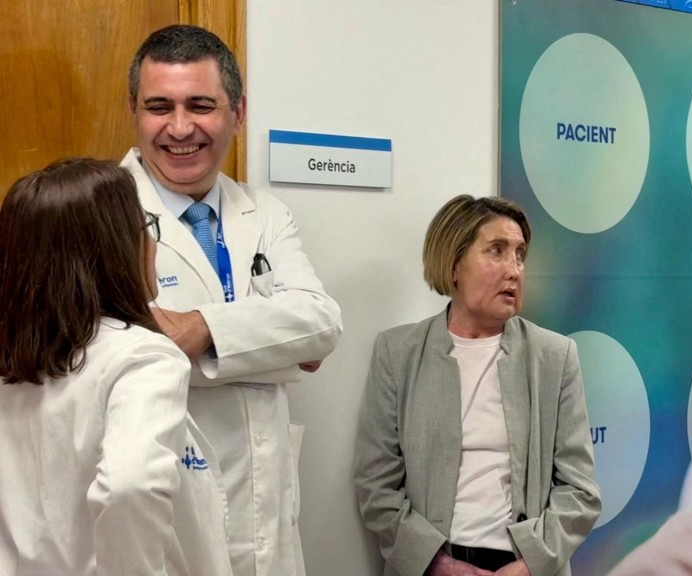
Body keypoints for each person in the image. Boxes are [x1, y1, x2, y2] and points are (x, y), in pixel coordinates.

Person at [123, 24, 343, 576]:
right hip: (163, 517)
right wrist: (275, 348)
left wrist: (200, 331)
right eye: (159, 107)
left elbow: (321, 324)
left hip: (268, 513)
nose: (179, 128)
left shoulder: (265, 213)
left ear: (238, 114)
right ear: (134, 112)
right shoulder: (98, 214)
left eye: (201, 105)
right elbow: (121, 358)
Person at [0, 158, 231, 576]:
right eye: (145, 226)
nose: (152, 242)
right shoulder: (142, 357)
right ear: (114, 249)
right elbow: (131, 487)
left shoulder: (14, 361)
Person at [354, 195, 601, 576]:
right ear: (454, 264)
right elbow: (376, 485)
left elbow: (579, 490)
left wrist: (529, 566)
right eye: (496, 251)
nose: (514, 270)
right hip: (431, 566)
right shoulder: (398, 353)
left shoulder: (554, 356)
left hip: (525, 567)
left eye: (520, 255)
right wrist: (438, 564)